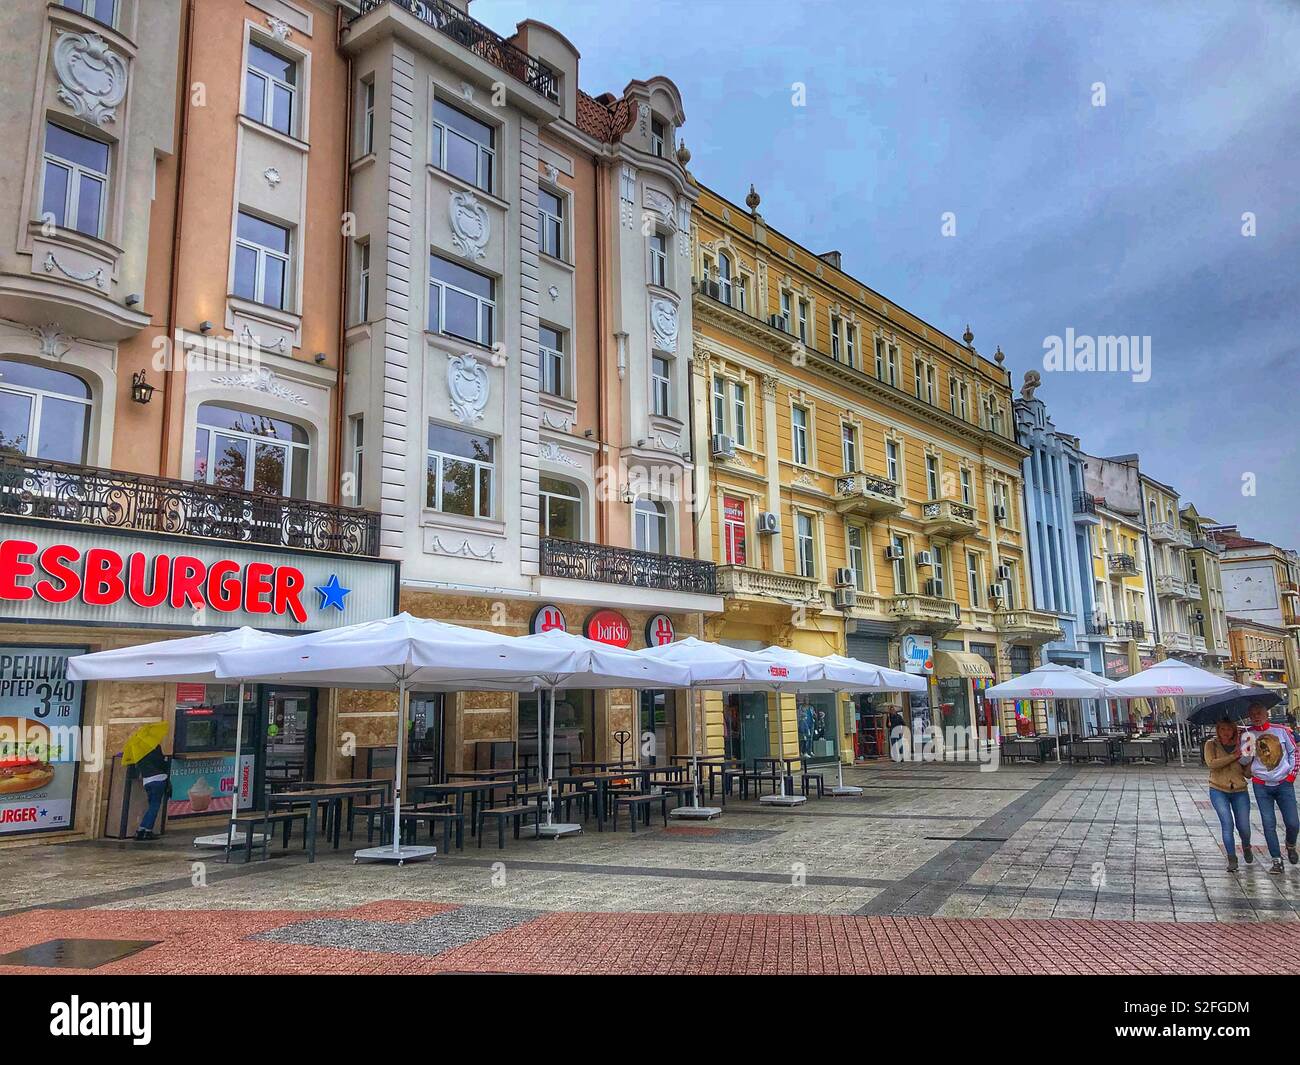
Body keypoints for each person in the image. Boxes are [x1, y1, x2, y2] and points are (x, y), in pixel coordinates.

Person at [1242, 702, 1298, 875]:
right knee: (1268, 822)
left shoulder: (1281, 730)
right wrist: (1247, 748)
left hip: (1283, 782)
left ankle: (1290, 844)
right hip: (1261, 784)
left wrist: (1291, 774)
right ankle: (1276, 860)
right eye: (1252, 714)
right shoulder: (1248, 734)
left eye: (1259, 713)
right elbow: (1244, 761)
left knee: (1293, 822)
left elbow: (1294, 751)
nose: (1256, 716)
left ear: (1266, 713)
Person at [1204, 718, 1252, 871]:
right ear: (1218, 730)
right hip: (1218, 788)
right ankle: (1232, 858)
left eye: (1229, 729)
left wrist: (1250, 761)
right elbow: (1212, 764)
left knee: (1243, 826)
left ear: (1234, 731)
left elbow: (1247, 774)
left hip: (1239, 790)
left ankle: (1246, 845)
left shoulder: (1242, 745)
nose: (1225, 732)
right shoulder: (1211, 744)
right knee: (1227, 823)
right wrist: (1233, 756)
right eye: (1222, 729)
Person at [134, 741, 170, 841]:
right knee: (155, 806)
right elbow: (160, 763)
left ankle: (141, 830)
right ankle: (148, 831)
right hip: (158, 779)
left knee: (151, 806)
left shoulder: (138, 749)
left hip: (147, 781)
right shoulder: (154, 746)